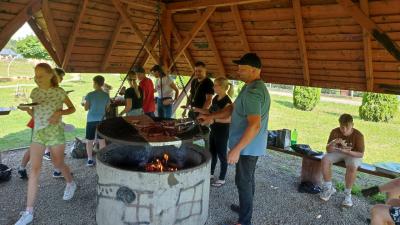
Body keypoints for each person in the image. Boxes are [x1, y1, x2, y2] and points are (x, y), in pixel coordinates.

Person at [198, 53, 270, 225]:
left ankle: (244, 221)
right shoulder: (248, 87)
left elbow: (254, 125)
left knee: (243, 181)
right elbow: (232, 108)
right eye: (239, 69)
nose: (238, 72)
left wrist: (236, 149)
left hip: (247, 147)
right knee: (247, 179)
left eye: (242, 69)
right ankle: (246, 206)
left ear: (254, 70)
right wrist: (212, 117)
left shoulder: (254, 92)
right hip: (248, 145)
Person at [15, 63, 77, 225]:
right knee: (34, 170)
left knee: (58, 163)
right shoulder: (35, 92)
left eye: (40, 75)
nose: (37, 79)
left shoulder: (59, 92)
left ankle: (70, 182)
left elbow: (72, 108)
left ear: (51, 75)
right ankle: (29, 212)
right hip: (38, 134)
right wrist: (26, 109)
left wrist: (59, 112)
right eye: (35, 76)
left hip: (55, 133)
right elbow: (36, 112)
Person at [17, 67, 68, 179]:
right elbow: (34, 112)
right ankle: (22, 168)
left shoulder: (57, 91)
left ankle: (56, 170)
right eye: (61, 77)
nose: (62, 80)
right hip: (38, 123)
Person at [194, 77, 233, 187]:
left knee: (222, 154)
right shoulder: (216, 98)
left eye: (215, 85)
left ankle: (222, 178)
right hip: (214, 130)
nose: (213, 87)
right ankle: (210, 173)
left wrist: (214, 119)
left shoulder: (227, 101)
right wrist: (198, 110)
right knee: (212, 153)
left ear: (222, 87)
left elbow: (229, 119)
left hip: (222, 132)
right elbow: (210, 111)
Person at [320, 113, 365, 207]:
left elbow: (360, 154)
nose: (343, 130)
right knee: (325, 159)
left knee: (352, 166)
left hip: (353, 154)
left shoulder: (358, 135)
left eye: (347, 127)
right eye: (341, 127)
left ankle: (347, 195)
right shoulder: (335, 132)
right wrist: (333, 143)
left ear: (352, 125)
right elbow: (328, 150)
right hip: (338, 152)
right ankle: (329, 188)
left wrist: (348, 152)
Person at [83, 75, 110, 166]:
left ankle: (90, 159)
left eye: (93, 83)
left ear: (95, 83)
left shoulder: (90, 95)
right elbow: (107, 109)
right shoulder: (106, 95)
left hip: (91, 120)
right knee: (102, 140)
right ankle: (103, 158)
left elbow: (86, 108)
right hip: (102, 121)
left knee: (89, 140)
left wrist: (86, 104)